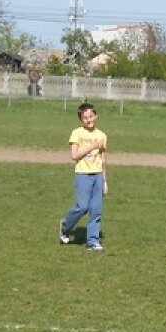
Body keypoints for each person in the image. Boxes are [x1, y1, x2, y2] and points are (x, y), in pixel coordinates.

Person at [59, 102, 108, 252]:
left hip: (98, 175)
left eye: (91, 116)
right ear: (81, 120)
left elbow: (103, 159)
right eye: (85, 118)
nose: (89, 120)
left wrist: (105, 180)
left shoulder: (102, 136)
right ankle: (65, 226)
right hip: (82, 175)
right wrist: (92, 146)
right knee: (82, 207)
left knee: (96, 210)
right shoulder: (77, 133)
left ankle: (92, 241)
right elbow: (74, 156)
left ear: (96, 116)